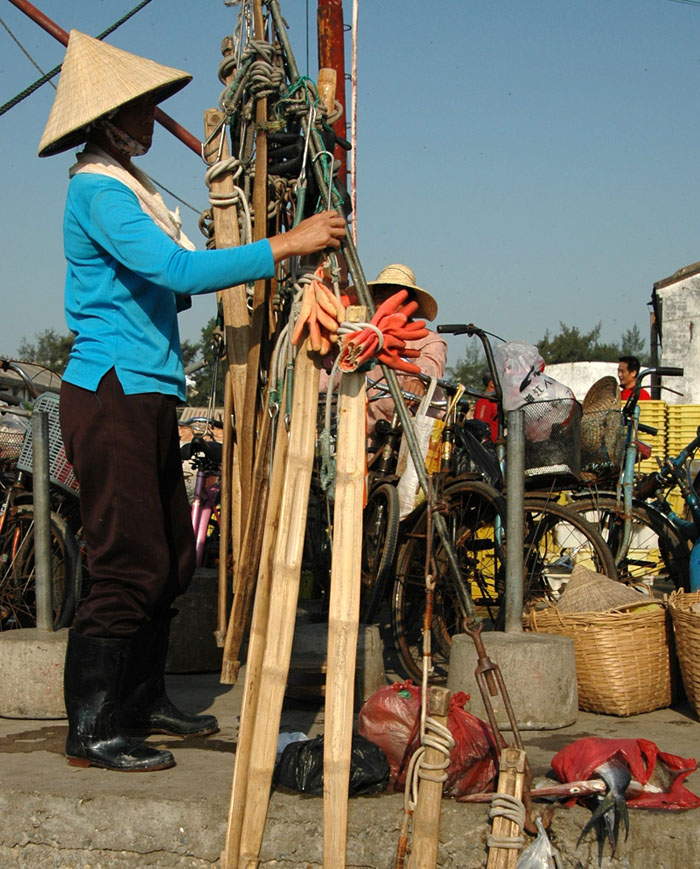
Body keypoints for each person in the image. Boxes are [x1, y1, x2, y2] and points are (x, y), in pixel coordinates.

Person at [39, 30, 345, 773]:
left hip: (145, 390)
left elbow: (171, 284)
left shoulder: (129, 188)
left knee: (174, 555)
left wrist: (216, 250)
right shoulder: (97, 188)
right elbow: (174, 268)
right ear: (109, 119)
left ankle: (140, 699)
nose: (151, 119)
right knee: (126, 560)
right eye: (140, 108)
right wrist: (284, 243)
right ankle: (92, 726)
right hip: (109, 389)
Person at [361, 265, 447, 450]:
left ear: (409, 303)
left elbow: (431, 363)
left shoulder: (428, 340)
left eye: (394, 298)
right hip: (371, 436)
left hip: (416, 432)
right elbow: (331, 376)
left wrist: (418, 381)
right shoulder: (363, 340)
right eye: (380, 298)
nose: (386, 305)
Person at [473, 369, 500, 442]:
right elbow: (480, 426)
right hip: (488, 447)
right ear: (492, 384)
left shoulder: (493, 401)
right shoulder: (485, 401)